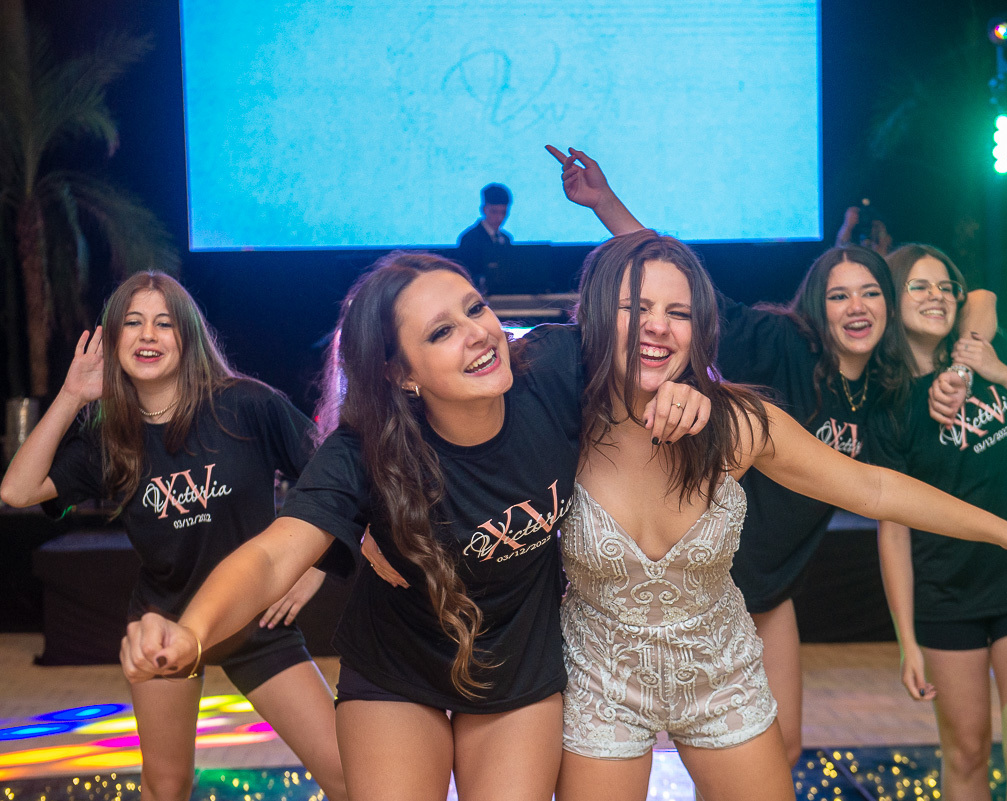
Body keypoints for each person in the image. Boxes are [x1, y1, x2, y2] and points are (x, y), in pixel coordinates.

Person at [118, 252, 710, 801]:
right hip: (396, 671)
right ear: (402, 374)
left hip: (516, 665)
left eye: (474, 308)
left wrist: (687, 390)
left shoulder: (552, 369)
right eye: (441, 331)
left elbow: (651, 335)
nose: (478, 332)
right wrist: (192, 633)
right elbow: (274, 554)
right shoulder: (364, 453)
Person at [550, 229, 1007, 801]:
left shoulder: (739, 423)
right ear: (600, 311)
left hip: (722, 675)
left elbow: (873, 489)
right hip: (602, 681)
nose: (658, 325)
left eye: (680, 313)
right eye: (635, 307)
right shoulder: (557, 418)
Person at [0, 272, 347, 801]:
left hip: (254, 621)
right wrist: (73, 394)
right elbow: (18, 490)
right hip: (163, 623)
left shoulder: (245, 405)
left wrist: (315, 567)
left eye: (164, 323)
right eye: (133, 323)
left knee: (347, 775)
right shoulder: (109, 435)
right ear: (113, 340)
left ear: (187, 336)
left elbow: (332, 478)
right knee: (166, 786)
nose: (148, 335)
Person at [872, 244, 1007, 801]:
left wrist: (992, 370)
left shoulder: (987, 351)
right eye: (919, 286)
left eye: (944, 286)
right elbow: (893, 529)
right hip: (947, 594)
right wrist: (907, 639)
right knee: (965, 755)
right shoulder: (888, 405)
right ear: (893, 300)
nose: (936, 295)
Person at [456, 183, 514, 292]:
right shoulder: (469, 239)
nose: (499, 218)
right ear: (483, 209)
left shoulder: (506, 239)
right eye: (494, 212)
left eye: (504, 212)